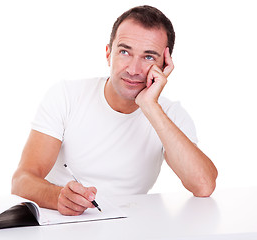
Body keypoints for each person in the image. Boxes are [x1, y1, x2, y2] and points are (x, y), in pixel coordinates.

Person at [11, 5, 218, 216]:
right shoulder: (66, 96)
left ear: (164, 65)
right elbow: (22, 180)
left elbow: (203, 185)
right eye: (125, 52)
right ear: (109, 54)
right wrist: (58, 197)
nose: (133, 70)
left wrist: (150, 106)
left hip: (129, 225)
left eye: (148, 57)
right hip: (61, 222)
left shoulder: (169, 114)